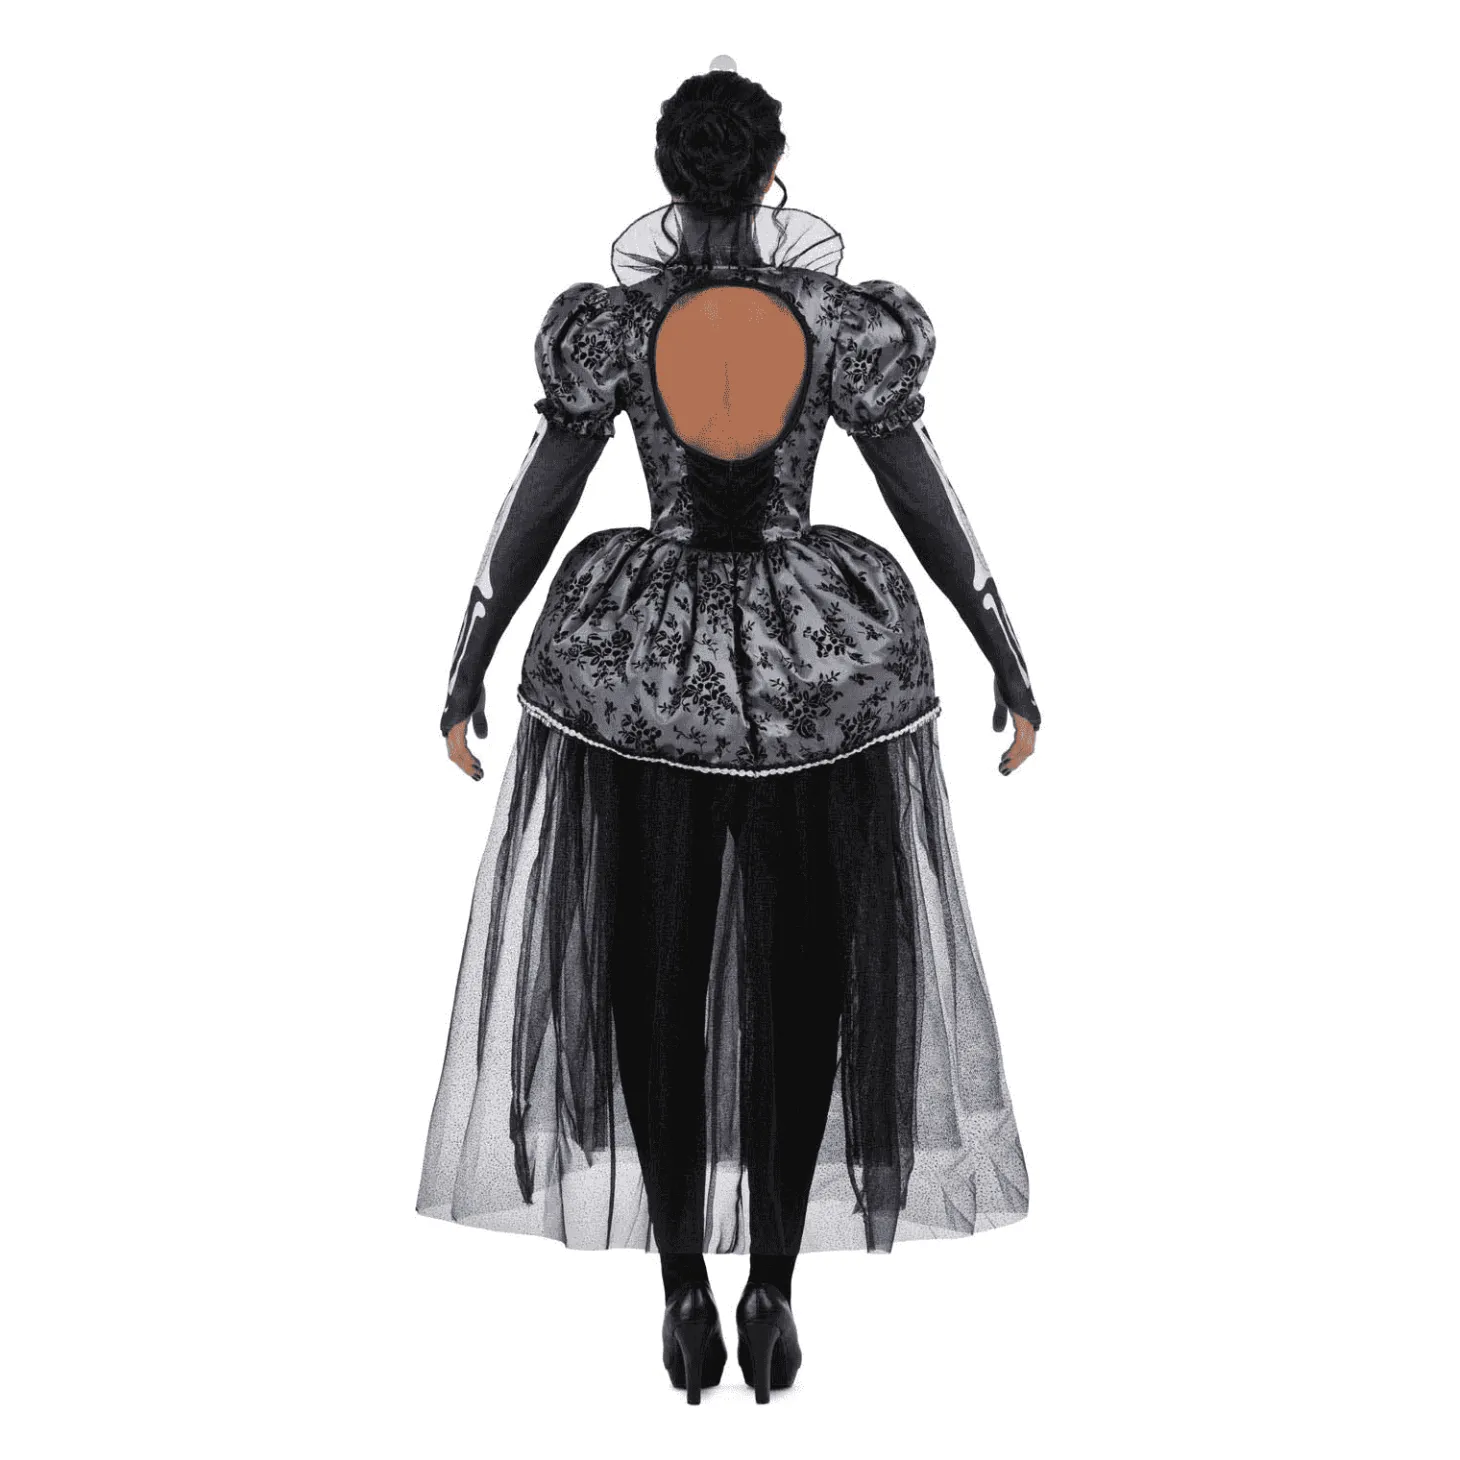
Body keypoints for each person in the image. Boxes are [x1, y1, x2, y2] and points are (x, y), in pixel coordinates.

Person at [417, 58, 1042, 1405]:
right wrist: (1008, 652)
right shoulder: (837, 324)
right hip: (818, 669)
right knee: (811, 976)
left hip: (641, 672)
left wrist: (467, 660)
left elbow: (538, 499)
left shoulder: (616, 328)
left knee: (653, 971)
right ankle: (774, 1285)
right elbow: (925, 498)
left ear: (668, 180)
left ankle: (681, 1291)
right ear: (771, 178)